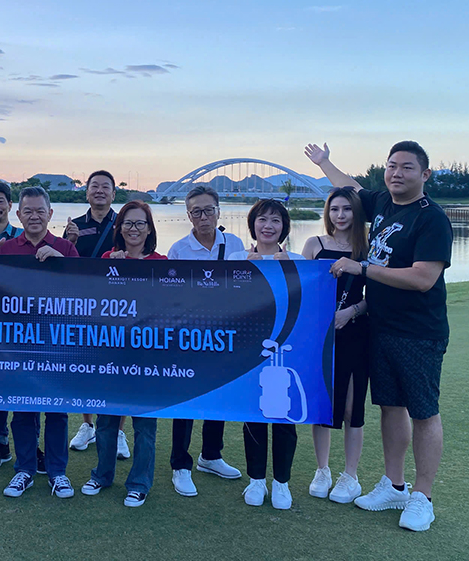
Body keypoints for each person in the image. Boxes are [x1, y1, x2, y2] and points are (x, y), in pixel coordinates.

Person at [305, 141, 453, 532]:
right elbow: (350, 188)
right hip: (381, 327)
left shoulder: (431, 218)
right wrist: (325, 163)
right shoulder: (384, 204)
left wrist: (363, 268)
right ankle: (395, 484)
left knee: (423, 411)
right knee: (390, 406)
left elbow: (423, 278)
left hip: (418, 331)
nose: (396, 173)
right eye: (391, 166)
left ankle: (423, 496)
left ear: (425, 174)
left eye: (406, 167)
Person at [0, 186, 79, 499]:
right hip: (18, 344)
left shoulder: (65, 248)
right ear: (18, 214)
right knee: (23, 411)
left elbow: (81, 293)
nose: (34, 216)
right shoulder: (6, 248)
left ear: (50, 214)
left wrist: (62, 262)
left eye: (40, 210)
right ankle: (25, 470)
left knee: (57, 411)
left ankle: (57, 472)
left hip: (56, 343)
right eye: (27, 211)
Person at [164, 185, 245, 497]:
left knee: (218, 395)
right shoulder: (178, 250)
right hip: (188, 334)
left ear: (218, 211)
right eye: (196, 211)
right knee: (186, 397)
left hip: (224, 333)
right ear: (188, 215)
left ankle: (210, 456)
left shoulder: (235, 243)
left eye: (208, 209)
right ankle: (180, 465)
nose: (203, 216)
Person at [81, 201, 164, 507]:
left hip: (147, 355)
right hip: (111, 354)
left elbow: (167, 307)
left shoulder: (162, 261)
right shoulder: (107, 258)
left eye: (140, 223)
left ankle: (139, 482)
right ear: (120, 229)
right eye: (127, 224)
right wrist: (109, 269)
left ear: (149, 228)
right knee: (106, 420)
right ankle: (102, 475)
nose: (133, 229)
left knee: (144, 424)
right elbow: (93, 301)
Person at [228, 199, 303, 510]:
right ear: (253, 224)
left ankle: (281, 482)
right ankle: (256, 479)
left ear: (284, 226)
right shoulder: (236, 258)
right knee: (255, 413)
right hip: (249, 349)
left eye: (275, 220)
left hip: (287, 348)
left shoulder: (298, 260)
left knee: (283, 414)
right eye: (262, 219)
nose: (268, 226)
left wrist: (287, 267)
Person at [301, 187, 370, 504]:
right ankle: (323, 469)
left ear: (356, 212)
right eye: (334, 209)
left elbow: (377, 295)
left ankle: (351, 475)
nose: (340, 216)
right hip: (321, 336)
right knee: (322, 404)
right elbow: (300, 287)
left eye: (347, 209)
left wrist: (351, 311)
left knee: (352, 408)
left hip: (355, 332)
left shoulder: (367, 247)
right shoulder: (314, 244)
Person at [0, 181, 39, 472]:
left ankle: (31, 444)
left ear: (10, 206)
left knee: (29, 385)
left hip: (30, 326)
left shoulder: (23, 235)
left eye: (0, 201)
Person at [65, 170, 123, 454]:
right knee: (84, 368)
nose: (99, 191)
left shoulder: (125, 224)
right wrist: (71, 243)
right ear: (86, 193)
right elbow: (64, 266)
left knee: (117, 369)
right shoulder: (74, 226)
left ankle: (118, 432)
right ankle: (87, 425)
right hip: (83, 308)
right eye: (94, 187)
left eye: (105, 187)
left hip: (118, 308)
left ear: (114, 193)